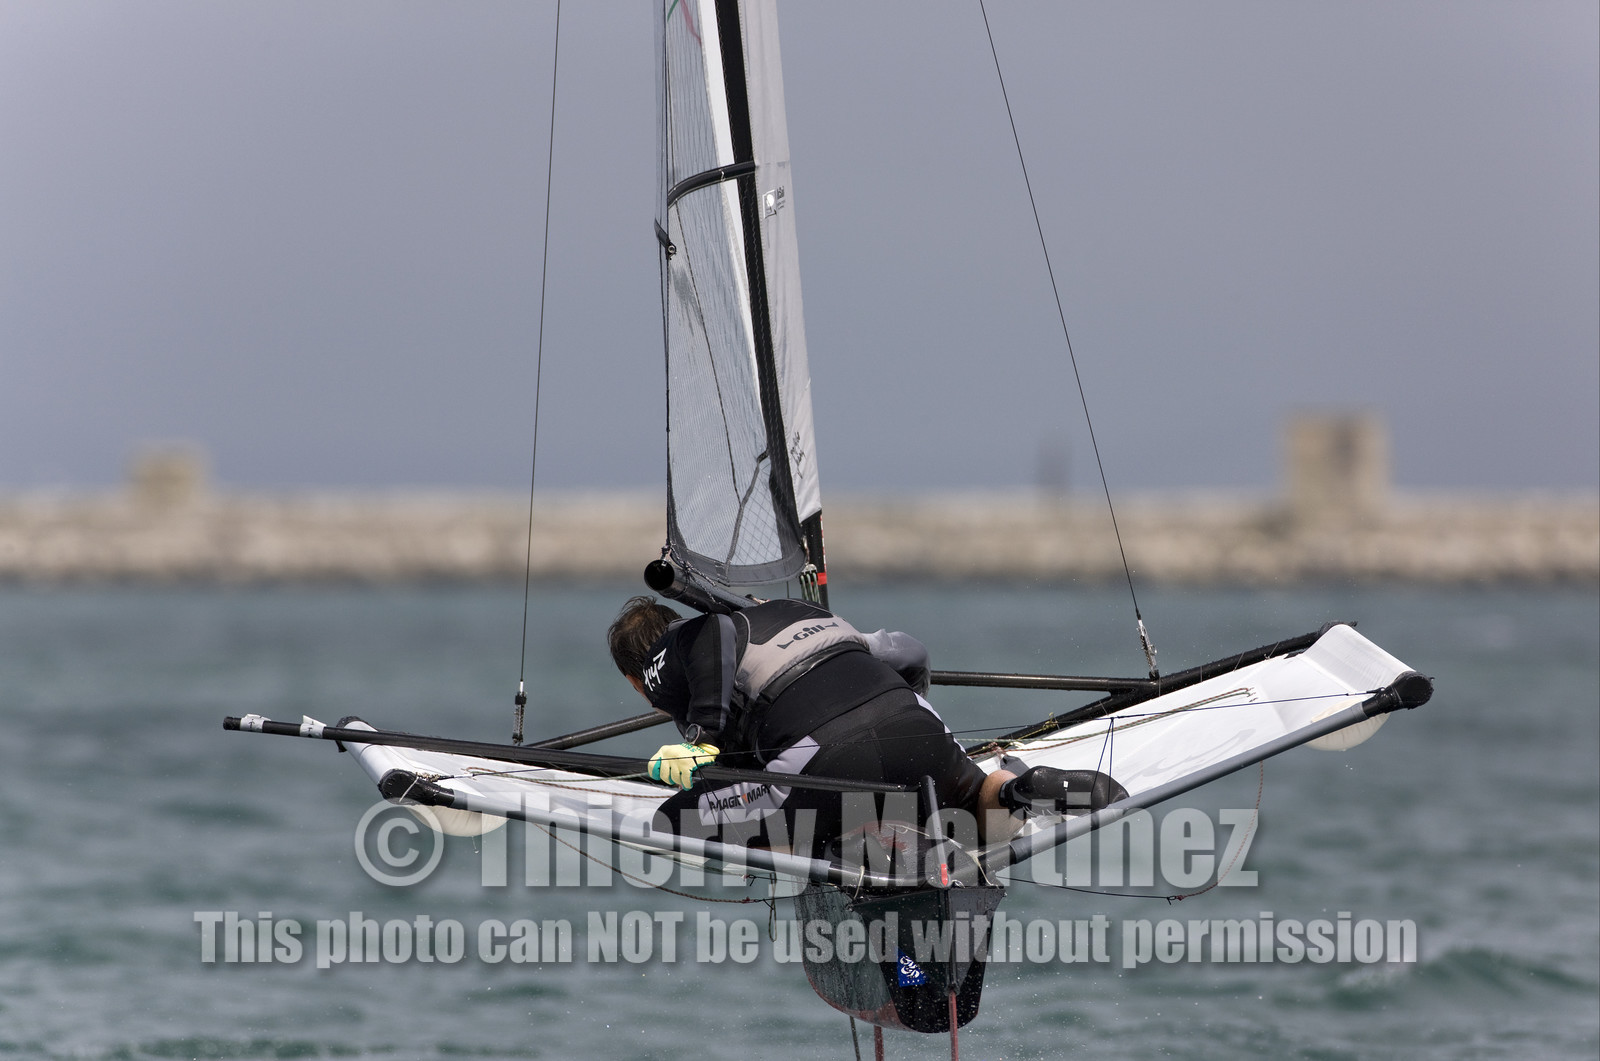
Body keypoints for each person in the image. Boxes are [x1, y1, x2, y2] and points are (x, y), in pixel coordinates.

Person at [606, 594, 1094, 859]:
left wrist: (702, 740)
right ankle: (1022, 789)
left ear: (633, 681)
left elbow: (712, 633)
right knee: (977, 817)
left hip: (824, 755)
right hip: (912, 722)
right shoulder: (798, 611)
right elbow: (910, 652)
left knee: (671, 823)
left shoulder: (673, 647)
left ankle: (859, 844)